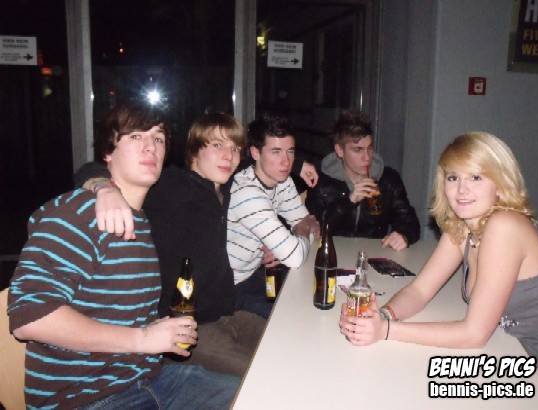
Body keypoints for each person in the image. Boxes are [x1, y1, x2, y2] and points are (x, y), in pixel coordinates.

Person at [7, 102, 239, 409]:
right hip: (86, 398)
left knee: (265, 395)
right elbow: (30, 318)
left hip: (151, 378)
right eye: (135, 136)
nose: (150, 147)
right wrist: (143, 338)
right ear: (108, 152)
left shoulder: (144, 221)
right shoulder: (77, 213)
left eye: (158, 138)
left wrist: (159, 335)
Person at [339, 132, 538, 379]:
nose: (461, 190)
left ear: (500, 184)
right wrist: (381, 315)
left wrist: (385, 330)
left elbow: (474, 334)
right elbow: (420, 291)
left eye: (476, 177)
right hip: (514, 351)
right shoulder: (462, 226)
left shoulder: (505, 226)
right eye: (453, 177)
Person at [74, 112, 266, 377]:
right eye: (217, 145)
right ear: (195, 150)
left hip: (228, 314)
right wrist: (104, 188)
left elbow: (265, 164)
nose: (229, 156)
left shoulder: (225, 186)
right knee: (259, 378)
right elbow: (90, 169)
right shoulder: (174, 185)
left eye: (234, 148)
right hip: (189, 330)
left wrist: (300, 164)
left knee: (290, 344)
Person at [227, 112, 321, 318]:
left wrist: (291, 241)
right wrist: (297, 235)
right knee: (294, 318)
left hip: (256, 273)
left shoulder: (283, 182)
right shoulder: (246, 193)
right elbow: (296, 255)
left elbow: (314, 230)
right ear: (255, 153)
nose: (286, 162)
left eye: (290, 151)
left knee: (313, 301)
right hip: (231, 287)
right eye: (276, 152)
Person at [306, 111, 420, 251]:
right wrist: (348, 201)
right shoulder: (320, 181)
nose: (367, 157)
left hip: (374, 253)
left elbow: (409, 221)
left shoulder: (388, 179)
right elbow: (314, 228)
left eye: (369, 148)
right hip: (332, 253)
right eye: (358, 150)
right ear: (340, 150)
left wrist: (404, 235)